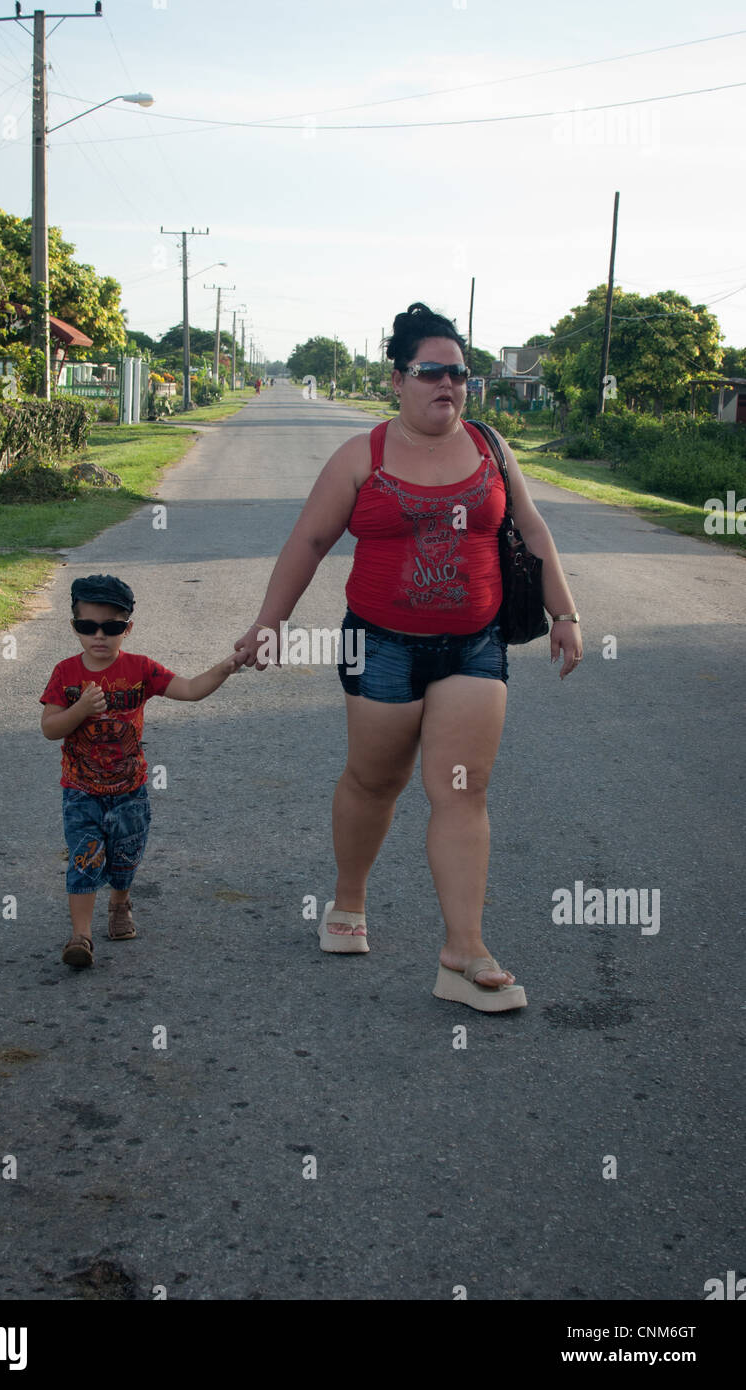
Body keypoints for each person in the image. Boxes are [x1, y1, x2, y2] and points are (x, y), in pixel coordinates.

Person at [234, 302, 582, 1012]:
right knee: (374, 781)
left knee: (463, 789)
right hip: (382, 648)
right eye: (431, 371)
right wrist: (269, 624)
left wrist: (565, 612)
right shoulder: (361, 456)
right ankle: (349, 901)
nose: (447, 384)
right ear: (397, 379)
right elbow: (307, 543)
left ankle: (464, 951)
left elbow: (531, 527)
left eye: (458, 372)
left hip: (474, 646)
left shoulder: (490, 448)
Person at [41, 574, 245, 968]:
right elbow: (50, 729)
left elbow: (189, 689)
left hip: (129, 788)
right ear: (74, 627)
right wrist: (80, 710)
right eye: (87, 626)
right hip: (80, 789)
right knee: (85, 856)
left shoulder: (140, 669)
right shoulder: (65, 674)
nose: (98, 636)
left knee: (124, 855)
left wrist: (225, 667)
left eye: (111, 627)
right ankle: (80, 936)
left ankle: (119, 903)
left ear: (127, 628)